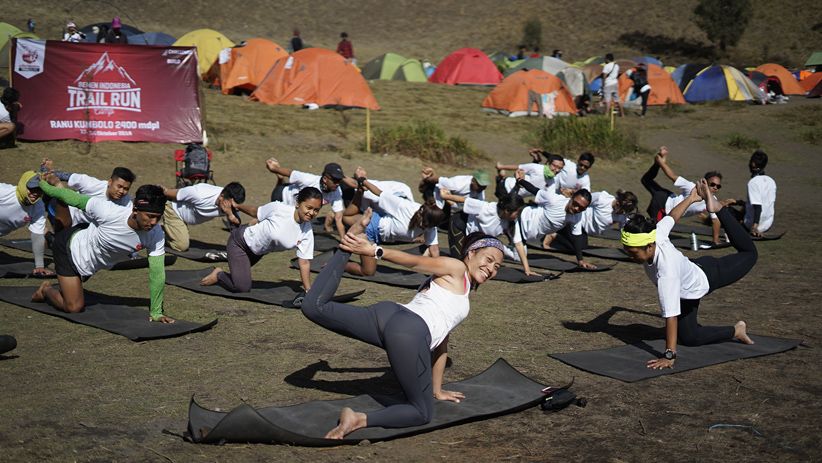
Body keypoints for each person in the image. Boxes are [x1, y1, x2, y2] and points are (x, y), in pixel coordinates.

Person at [300, 209, 505, 439]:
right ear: (471, 253)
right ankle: (358, 419)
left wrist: (437, 389)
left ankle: (347, 244)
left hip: (390, 315)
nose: (491, 269)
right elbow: (417, 261)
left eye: (497, 267)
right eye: (489, 260)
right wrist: (375, 251)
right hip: (409, 331)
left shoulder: (461, 288)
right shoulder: (457, 268)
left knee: (314, 307)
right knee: (421, 413)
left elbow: (442, 342)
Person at [621, 179, 755, 370]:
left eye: (633, 252)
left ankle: (719, 209)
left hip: (708, 275)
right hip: (687, 284)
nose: (630, 256)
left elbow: (671, 316)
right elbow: (672, 216)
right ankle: (737, 330)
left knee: (750, 254)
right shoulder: (656, 234)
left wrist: (669, 355)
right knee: (690, 338)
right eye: (627, 251)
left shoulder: (666, 272)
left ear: (649, 246)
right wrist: (691, 198)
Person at [31, 175, 174, 322]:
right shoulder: (109, 212)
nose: (154, 222)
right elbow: (73, 198)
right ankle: (45, 289)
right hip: (69, 250)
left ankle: (70, 282)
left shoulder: (156, 234)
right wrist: (43, 185)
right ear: (135, 210)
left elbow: (157, 274)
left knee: (75, 286)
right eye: (150, 216)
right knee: (74, 307)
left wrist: (156, 312)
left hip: (91, 262)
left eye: (158, 217)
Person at [199, 187, 320, 293]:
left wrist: (308, 290)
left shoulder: (307, 232)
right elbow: (255, 211)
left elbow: (304, 262)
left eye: (316, 210)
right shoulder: (279, 209)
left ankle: (234, 274)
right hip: (240, 243)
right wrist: (237, 206)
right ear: (298, 203)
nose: (311, 213)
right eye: (309, 207)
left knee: (240, 278)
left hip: (257, 253)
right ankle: (218, 274)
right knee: (242, 287)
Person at [342, 168, 445, 275]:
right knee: (367, 270)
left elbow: (434, 249)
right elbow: (380, 193)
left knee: (368, 271)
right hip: (371, 227)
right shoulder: (406, 207)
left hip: (378, 237)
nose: (422, 224)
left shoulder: (431, 226)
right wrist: (363, 181)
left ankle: (342, 263)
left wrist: (440, 271)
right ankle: (338, 264)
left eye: (425, 224)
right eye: (422, 219)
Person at [640, 146, 725, 245]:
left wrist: (715, 240)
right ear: (704, 182)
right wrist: (662, 163)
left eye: (718, 186)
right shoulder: (692, 187)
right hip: (662, 204)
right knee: (657, 233)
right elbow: (672, 176)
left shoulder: (713, 201)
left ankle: (657, 163)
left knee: (646, 180)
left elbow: (716, 220)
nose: (715, 188)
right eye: (712, 184)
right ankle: (658, 161)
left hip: (667, 197)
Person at [510, 183, 594, 273]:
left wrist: (580, 260)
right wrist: (520, 181)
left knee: (518, 256)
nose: (577, 209)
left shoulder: (577, 216)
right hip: (521, 219)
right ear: (571, 198)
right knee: (518, 257)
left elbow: (576, 237)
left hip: (530, 234)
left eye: (581, 208)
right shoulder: (554, 199)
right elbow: (534, 190)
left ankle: (509, 246)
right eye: (575, 204)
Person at [40, 163, 135, 233]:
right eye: (119, 186)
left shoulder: (127, 204)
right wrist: (47, 172)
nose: (121, 191)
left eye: (126, 189)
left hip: (88, 228)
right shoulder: (93, 184)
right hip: (69, 214)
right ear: (110, 182)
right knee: (61, 231)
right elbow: (65, 176)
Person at [266, 158, 346, 239]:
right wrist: (275, 168)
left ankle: (281, 179)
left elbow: (338, 218)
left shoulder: (337, 191)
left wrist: (343, 240)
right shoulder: (309, 180)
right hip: (281, 195)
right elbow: (291, 173)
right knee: (280, 226)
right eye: (335, 181)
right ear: (325, 179)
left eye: (339, 181)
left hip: (297, 206)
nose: (337, 184)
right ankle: (280, 179)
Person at [439, 188, 525, 259]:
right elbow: (464, 200)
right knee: (459, 261)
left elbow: (519, 244)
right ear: (507, 211)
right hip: (459, 225)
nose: (518, 216)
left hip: (475, 237)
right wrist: (445, 196)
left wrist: (527, 269)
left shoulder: (511, 221)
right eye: (517, 213)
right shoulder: (486, 208)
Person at [160, 182, 246, 252]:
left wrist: (230, 214)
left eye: (235, 206)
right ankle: (160, 233)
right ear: (222, 196)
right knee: (181, 246)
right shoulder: (200, 193)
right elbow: (166, 192)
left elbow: (237, 223)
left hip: (186, 217)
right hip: (174, 211)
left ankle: (173, 230)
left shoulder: (231, 203)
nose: (233, 208)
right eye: (231, 205)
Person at [543, 189, 638, 249]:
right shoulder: (602, 198)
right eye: (623, 211)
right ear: (618, 203)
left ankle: (560, 231)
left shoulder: (623, 214)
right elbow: (583, 200)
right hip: (578, 223)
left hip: (586, 232)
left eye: (626, 212)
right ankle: (554, 234)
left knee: (582, 246)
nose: (624, 214)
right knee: (579, 247)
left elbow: (624, 230)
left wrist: (631, 247)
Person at [0, 171, 51, 276]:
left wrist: (39, 266)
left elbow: (37, 236)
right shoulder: (3, 192)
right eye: (32, 189)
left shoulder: (38, 207)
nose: (35, 193)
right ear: (23, 186)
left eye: (39, 190)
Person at [728, 150, 776, 237]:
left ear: (752, 164)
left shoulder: (753, 183)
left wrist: (754, 227)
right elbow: (763, 203)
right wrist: (737, 202)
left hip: (752, 225)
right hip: (768, 224)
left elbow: (758, 207)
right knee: (744, 207)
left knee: (725, 210)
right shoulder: (771, 181)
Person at [495, 152, 565, 199]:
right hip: (506, 187)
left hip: (517, 197)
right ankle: (501, 177)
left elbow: (549, 198)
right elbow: (518, 168)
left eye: (560, 168)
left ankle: (501, 176)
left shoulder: (552, 182)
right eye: (555, 166)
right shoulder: (536, 168)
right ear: (548, 163)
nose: (557, 170)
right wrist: (501, 167)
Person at [419, 167, 490, 210]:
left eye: (484, 186)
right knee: (435, 213)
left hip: (451, 199)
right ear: (472, 181)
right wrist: (427, 178)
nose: (483, 188)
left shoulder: (480, 192)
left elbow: (477, 207)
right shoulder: (457, 184)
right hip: (437, 192)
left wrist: (450, 202)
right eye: (480, 185)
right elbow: (439, 180)